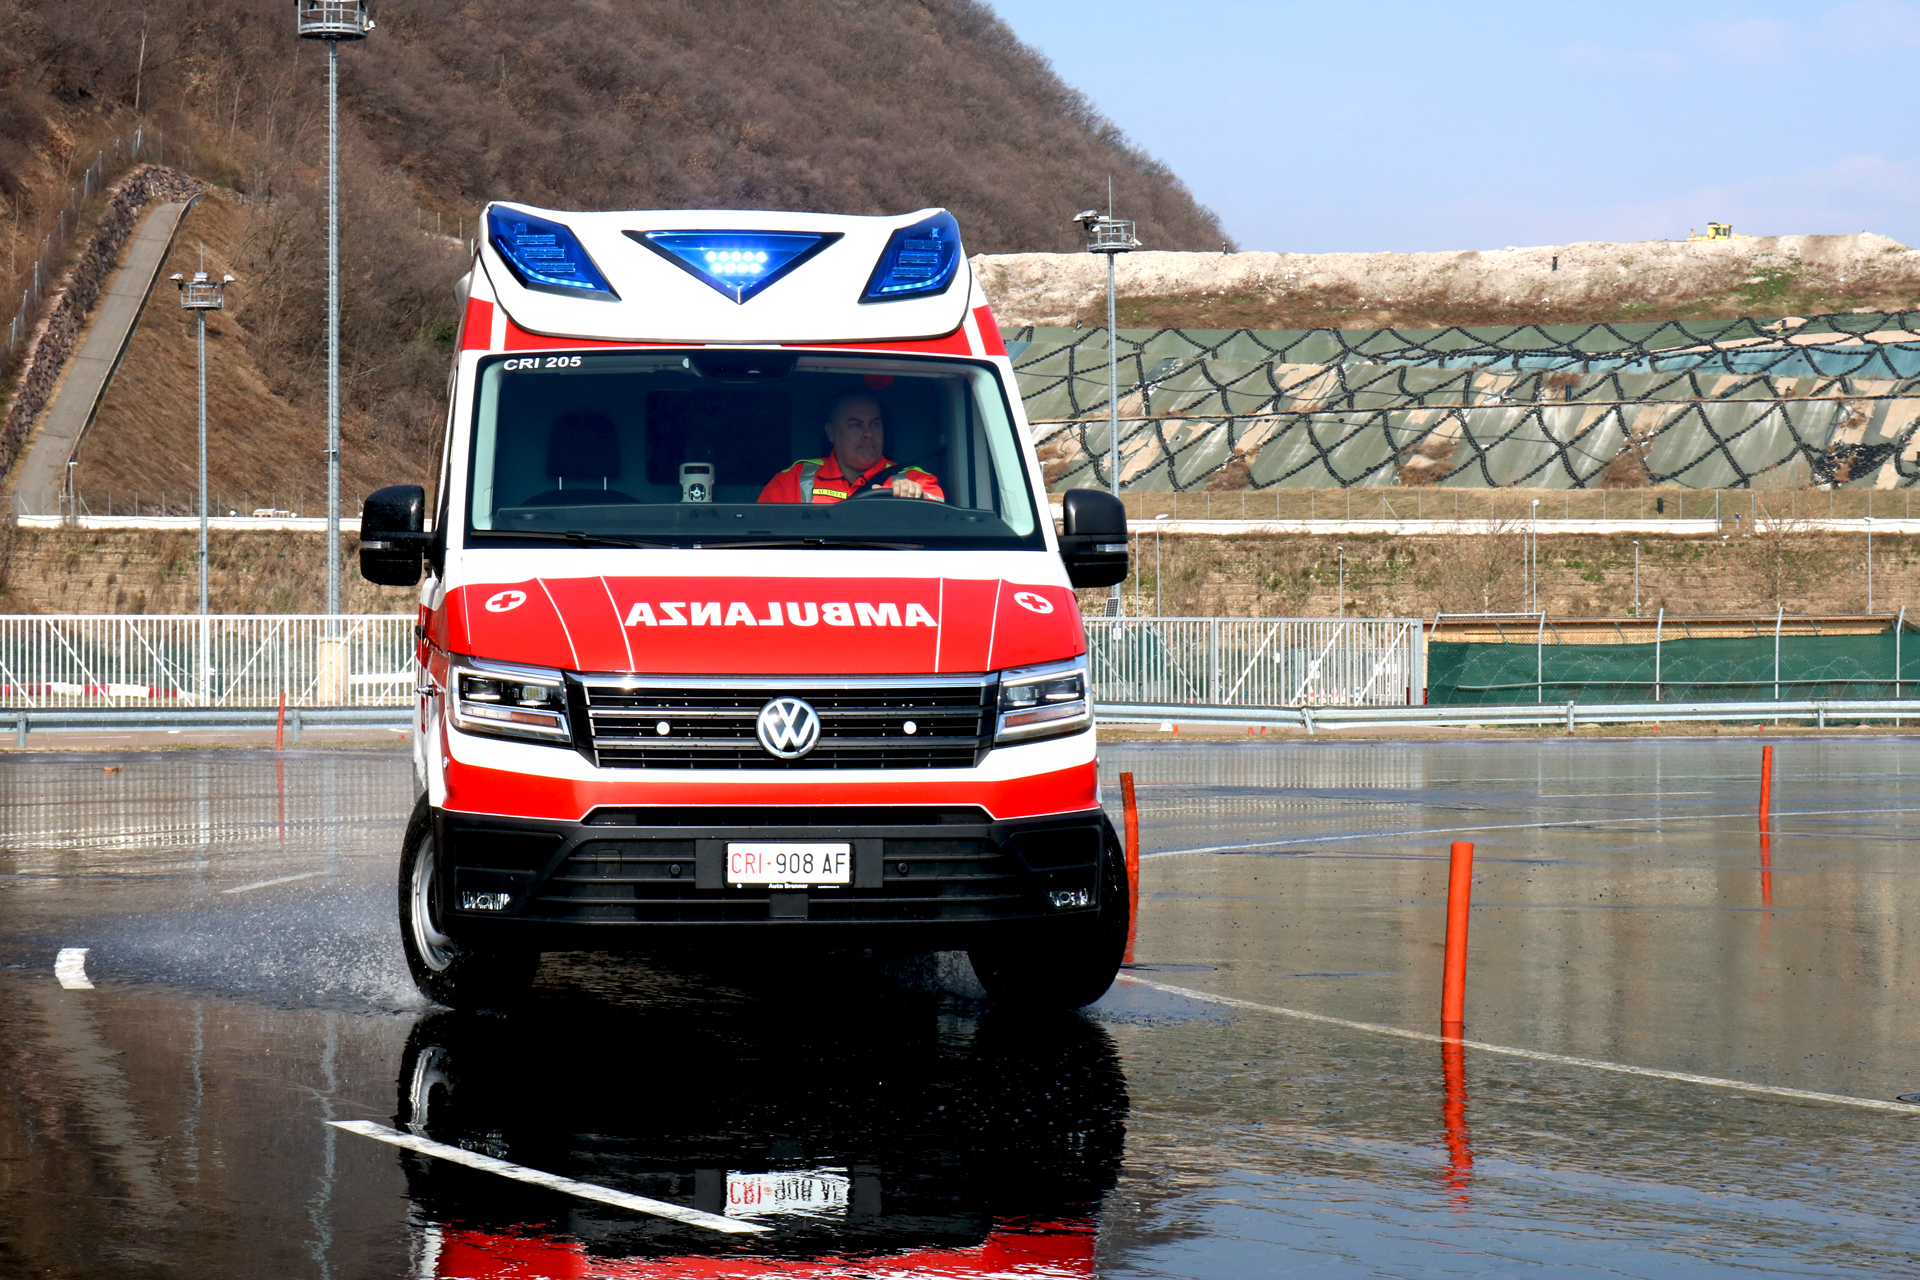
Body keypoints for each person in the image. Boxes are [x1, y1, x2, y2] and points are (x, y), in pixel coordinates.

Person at [758, 395, 943, 504]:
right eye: (856, 425)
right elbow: (764, 532)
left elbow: (940, 528)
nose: (868, 433)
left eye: (875, 424)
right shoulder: (796, 478)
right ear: (831, 432)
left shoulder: (914, 479)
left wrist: (915, 499)